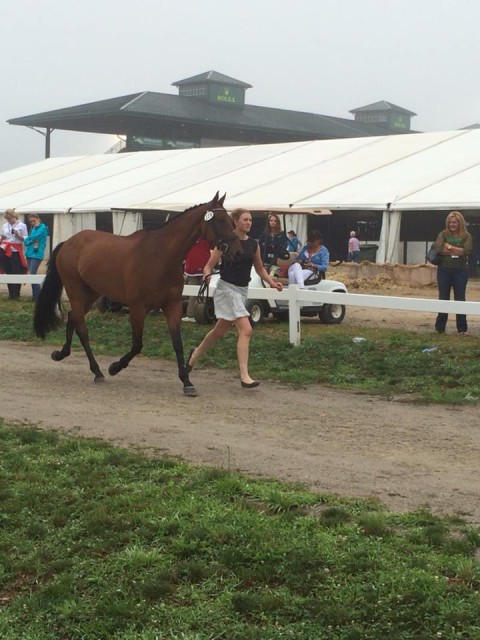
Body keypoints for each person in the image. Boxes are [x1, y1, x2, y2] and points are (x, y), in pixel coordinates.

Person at [187, 208, 283, 388]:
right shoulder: (225, 242)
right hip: (226, 289)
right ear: (236, 222)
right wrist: (206, 275)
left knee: (219, 331)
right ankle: (244, 376)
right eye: (245, 219)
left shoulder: (254, 244)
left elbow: (260, 269)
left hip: (242, 290)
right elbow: (209, 266)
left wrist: (271, 282)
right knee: (246, 330)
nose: (249, 222)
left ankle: (195, 355)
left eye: (250, 220)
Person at [434, 210, 473, 335]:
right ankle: (440, 327)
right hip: (444, 270)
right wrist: (457, 250)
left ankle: (462, 328)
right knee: (443, 297)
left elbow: (466, 251)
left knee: (460, 298)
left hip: (460, 271)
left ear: (460, 222)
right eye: (450, 222)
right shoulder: (443, 234)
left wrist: (449, 247)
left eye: (454, 222)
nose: (452, 224)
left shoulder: (467, 236)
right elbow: (439, 249)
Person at [0, 209, 28, 300]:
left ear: (14, 216)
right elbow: (3, 237)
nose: (9, 220)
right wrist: (2, 237)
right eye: (7, 219)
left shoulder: (22, 225)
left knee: (17, 271)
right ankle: (11, 293)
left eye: (10, 218)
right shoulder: (5, 225)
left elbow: (25, 238)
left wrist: (17, 235)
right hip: (6, 249)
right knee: (8, 271)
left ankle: (16, 293)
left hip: (16, 250)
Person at [182, 238, 211, 322]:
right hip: (193, 271)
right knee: (195, 294)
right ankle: (193, 315)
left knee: (203, 294)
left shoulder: (205, 241)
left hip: (202, 271)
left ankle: (202, 314)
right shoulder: (188, 240)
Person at [23, 214, 49, 301]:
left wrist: (29, 239)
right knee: (32, 274)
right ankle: (36, 294)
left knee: (32, 274)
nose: (32, 223)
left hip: (37, 254)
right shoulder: (33, 229)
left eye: (33, 221)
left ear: (38, 219)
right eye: (30, 222)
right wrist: (29, 239)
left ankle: (37, 295)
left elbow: (35, 236)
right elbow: (26, 242)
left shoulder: (43, 227)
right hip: (29, 253)